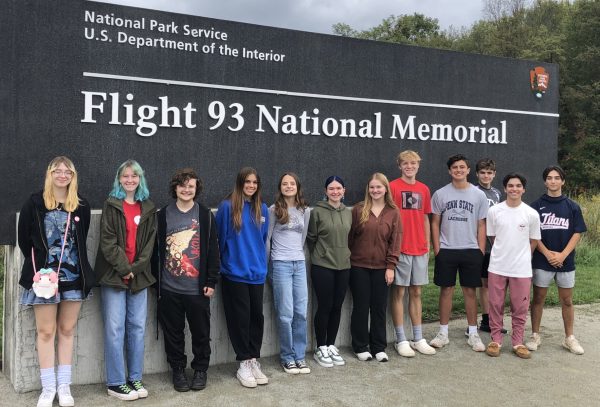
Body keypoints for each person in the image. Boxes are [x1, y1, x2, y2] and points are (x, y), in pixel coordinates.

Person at [18, 156, 95, 407]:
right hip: (43, 279)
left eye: (67, 172)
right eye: (57, 171)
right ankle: (48, 388)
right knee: (46, 331)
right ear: (49, 174)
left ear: (73, 176)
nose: (62, 175)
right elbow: (24, 241)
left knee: (66, 331)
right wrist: (37, 270)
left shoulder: (81, 206)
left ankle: (64, 386)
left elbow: (80, 242)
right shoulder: (35, 202)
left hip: (73, 278)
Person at [153, 168, 220, 391]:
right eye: (182, 185)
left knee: (201, 333)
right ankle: (178, 370)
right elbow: (157, 250)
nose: (186, 189)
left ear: (196, 189)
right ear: (175, 188)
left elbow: (213, 250)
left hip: (197, 290)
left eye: (191, 186)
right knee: (173, 333)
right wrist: (157, 283)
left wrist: (211, 281)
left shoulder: (204, 215)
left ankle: (201, 369)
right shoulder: (162, 215)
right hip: (169, 288)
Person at [95, 160, 157, 400]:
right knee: (114, 329)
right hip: (113, 276)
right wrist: (125, 269)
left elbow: (149, 245)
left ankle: (135, 378)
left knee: (137, 328)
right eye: (125, 176)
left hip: (139, 277)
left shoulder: (148, 208)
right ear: (119, 180)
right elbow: (108, 243)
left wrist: (135, 269)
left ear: (140, 179)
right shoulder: (112, 205)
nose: (130, 180)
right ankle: (116, 382)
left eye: (135, 176)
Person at [216, 167, 269, 388]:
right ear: (240, 183)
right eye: (247, 182)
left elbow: (262, 239)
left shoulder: (262, 208)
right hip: (234, 273)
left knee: (257, 317)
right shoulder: (227, 207)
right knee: (240, 318)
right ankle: (243, 362)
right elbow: (218, 239)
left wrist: (261, 266)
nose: (251, 186)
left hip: (257, 273)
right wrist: (223, 266)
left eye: (255, 182)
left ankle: (253, 359)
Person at [429, 154, 488, 352]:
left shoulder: (478, 195)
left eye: (462, 167)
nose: (459, 170)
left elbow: (481, 224)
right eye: (455, 167)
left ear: (468, 170)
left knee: (470, 291)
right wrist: (437, 249)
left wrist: (480, 250)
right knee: (446, 290)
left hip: (471, 250)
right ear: (449, 171)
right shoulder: (440, 194)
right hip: (447, 249)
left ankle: (473, 333)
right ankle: (443, 333)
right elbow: (434, 223)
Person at [526, 165, 587, 355]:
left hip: (565, 261)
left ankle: (569, 338)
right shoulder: (535, 207)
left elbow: (577, 233)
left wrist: (562, 255)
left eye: (557, 178)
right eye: (549, 178)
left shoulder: (572, 206)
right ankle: (535, 335)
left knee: (567, 300)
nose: (553, 181)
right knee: (538, 299)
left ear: (563, 181)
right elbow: (534, 235)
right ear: (545, 181)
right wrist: (548, 254)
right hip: (542, 260)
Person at [484, 173, 540, 359]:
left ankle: (517, 342)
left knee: (520, 307)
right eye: (510, 185)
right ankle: (496, 340)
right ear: (505, 188)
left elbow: (533, 241)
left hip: (521, 269)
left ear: (523, 189)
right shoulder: (494, 211)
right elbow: (493, 238)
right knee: (495, 304)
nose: (514, 189)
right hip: (498, 266)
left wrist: (521, 256)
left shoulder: (531, 214)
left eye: (518, 186)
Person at [349, 173, 402, 362]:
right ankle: (360, 346)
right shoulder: (358, 209)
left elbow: (395, 242)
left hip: (382, 268)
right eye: (372, 187)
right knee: (361, 307)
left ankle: (379, 347)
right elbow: (350, 237)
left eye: (379, 187)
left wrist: (391, 266)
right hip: (359, 266)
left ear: (386, 189)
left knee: (379, 308)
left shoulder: (393, 212)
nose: (375, 190)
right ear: (368, 189)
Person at [390, 150, 437, 357]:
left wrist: (427, 244)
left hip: (419, 249)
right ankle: (401, 339)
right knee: (399, 293)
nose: (409, 167)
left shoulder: (424, 189)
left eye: (413, 163)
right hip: (400, 248)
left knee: (416, 292)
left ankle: (418, 338)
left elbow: (426, 218)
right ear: (399, 166)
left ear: (418, 165)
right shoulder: (392, 187)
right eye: (405, 164)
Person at [267, 172, 311, 374]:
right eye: (284, 183)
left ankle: (299, 355)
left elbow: (302, 239)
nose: (288, 186)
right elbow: (267, 240)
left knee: (301, 312)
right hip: (280, 264)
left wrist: (297, 256)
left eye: (292, 183)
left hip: (299, 264)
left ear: (297, 186)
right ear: (280, 187)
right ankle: (287, 357)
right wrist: (271, 266)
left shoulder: (304, 210)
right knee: (285, 314)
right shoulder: (273, 210)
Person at [306, 176, 352, 367]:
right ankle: (321, 346)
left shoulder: (348, 213)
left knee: (337, 306)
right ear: (325, 191)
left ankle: (331, 344)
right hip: (323, 265)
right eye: (331, 189)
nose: (335, 192)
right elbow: (311, 238)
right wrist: (323, 253)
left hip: (344, 266)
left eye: (338, 188)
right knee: (324, 306)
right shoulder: (317, 212)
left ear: (344, 191)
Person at [473, 158, 506, 334]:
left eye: (489, 173)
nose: (486, 176)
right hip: (479, 244)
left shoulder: (496, 193)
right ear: (477, 174)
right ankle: (486, 320)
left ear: (494, 174)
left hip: (495, 245)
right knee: (483, 284)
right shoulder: (473, 192)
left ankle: (495, 319)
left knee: (496, 284)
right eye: (483, 172)